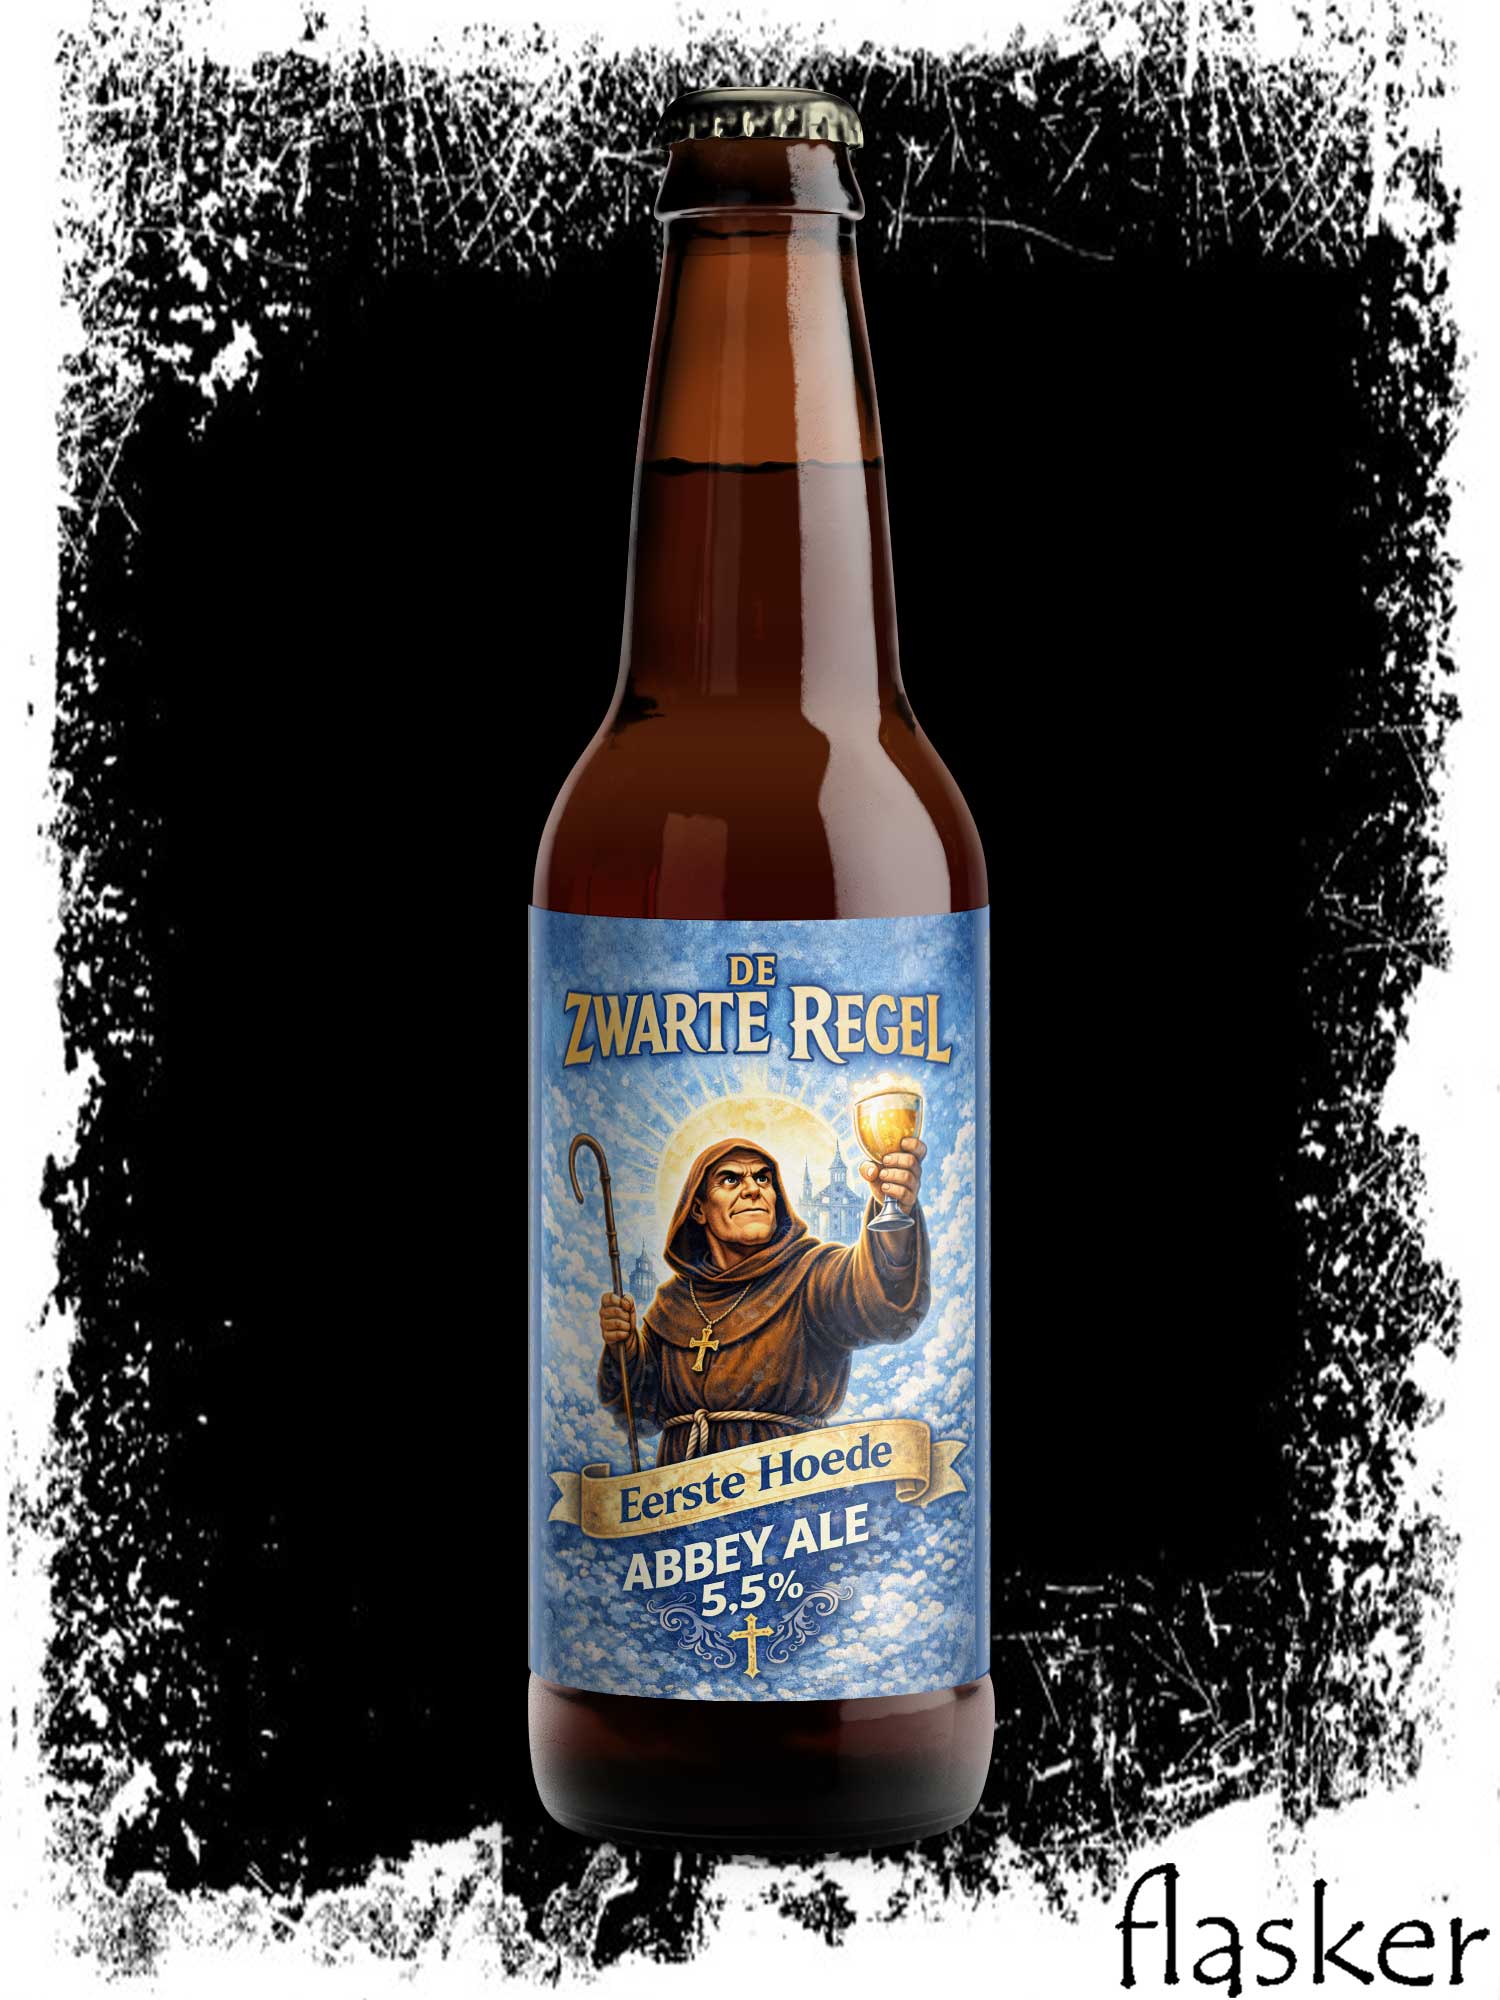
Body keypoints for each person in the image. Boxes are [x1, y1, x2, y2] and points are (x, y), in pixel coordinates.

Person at [597, 1134, 929, 1466]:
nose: (753, 1189)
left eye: (762, 1178)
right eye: (730, 1179)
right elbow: (639, 1415)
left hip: (790, 1483)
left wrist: (894, 1213)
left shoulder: (811, 1274)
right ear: (698, 1209)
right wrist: (624, 1347)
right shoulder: (673, 1304)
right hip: (684, 1488)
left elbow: (878, 1303)